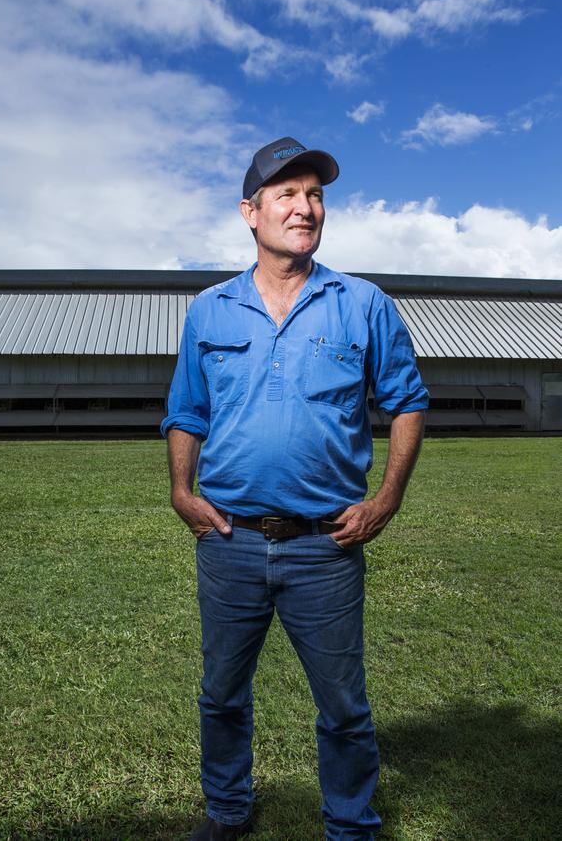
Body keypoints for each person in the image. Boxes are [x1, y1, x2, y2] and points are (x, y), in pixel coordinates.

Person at [161, 136, 428, 841]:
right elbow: (186, 410)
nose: (305, 207)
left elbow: (407, 400)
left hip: (324, 546)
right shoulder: (209, 310)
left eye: (314, 195)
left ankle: (350, 825)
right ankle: (227, 810)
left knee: (343, 705)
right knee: (221, 694)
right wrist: (181, 491)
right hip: (230, 543)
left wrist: (387, 499)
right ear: (251, 211)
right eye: (287, 194)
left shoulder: (363, 304)